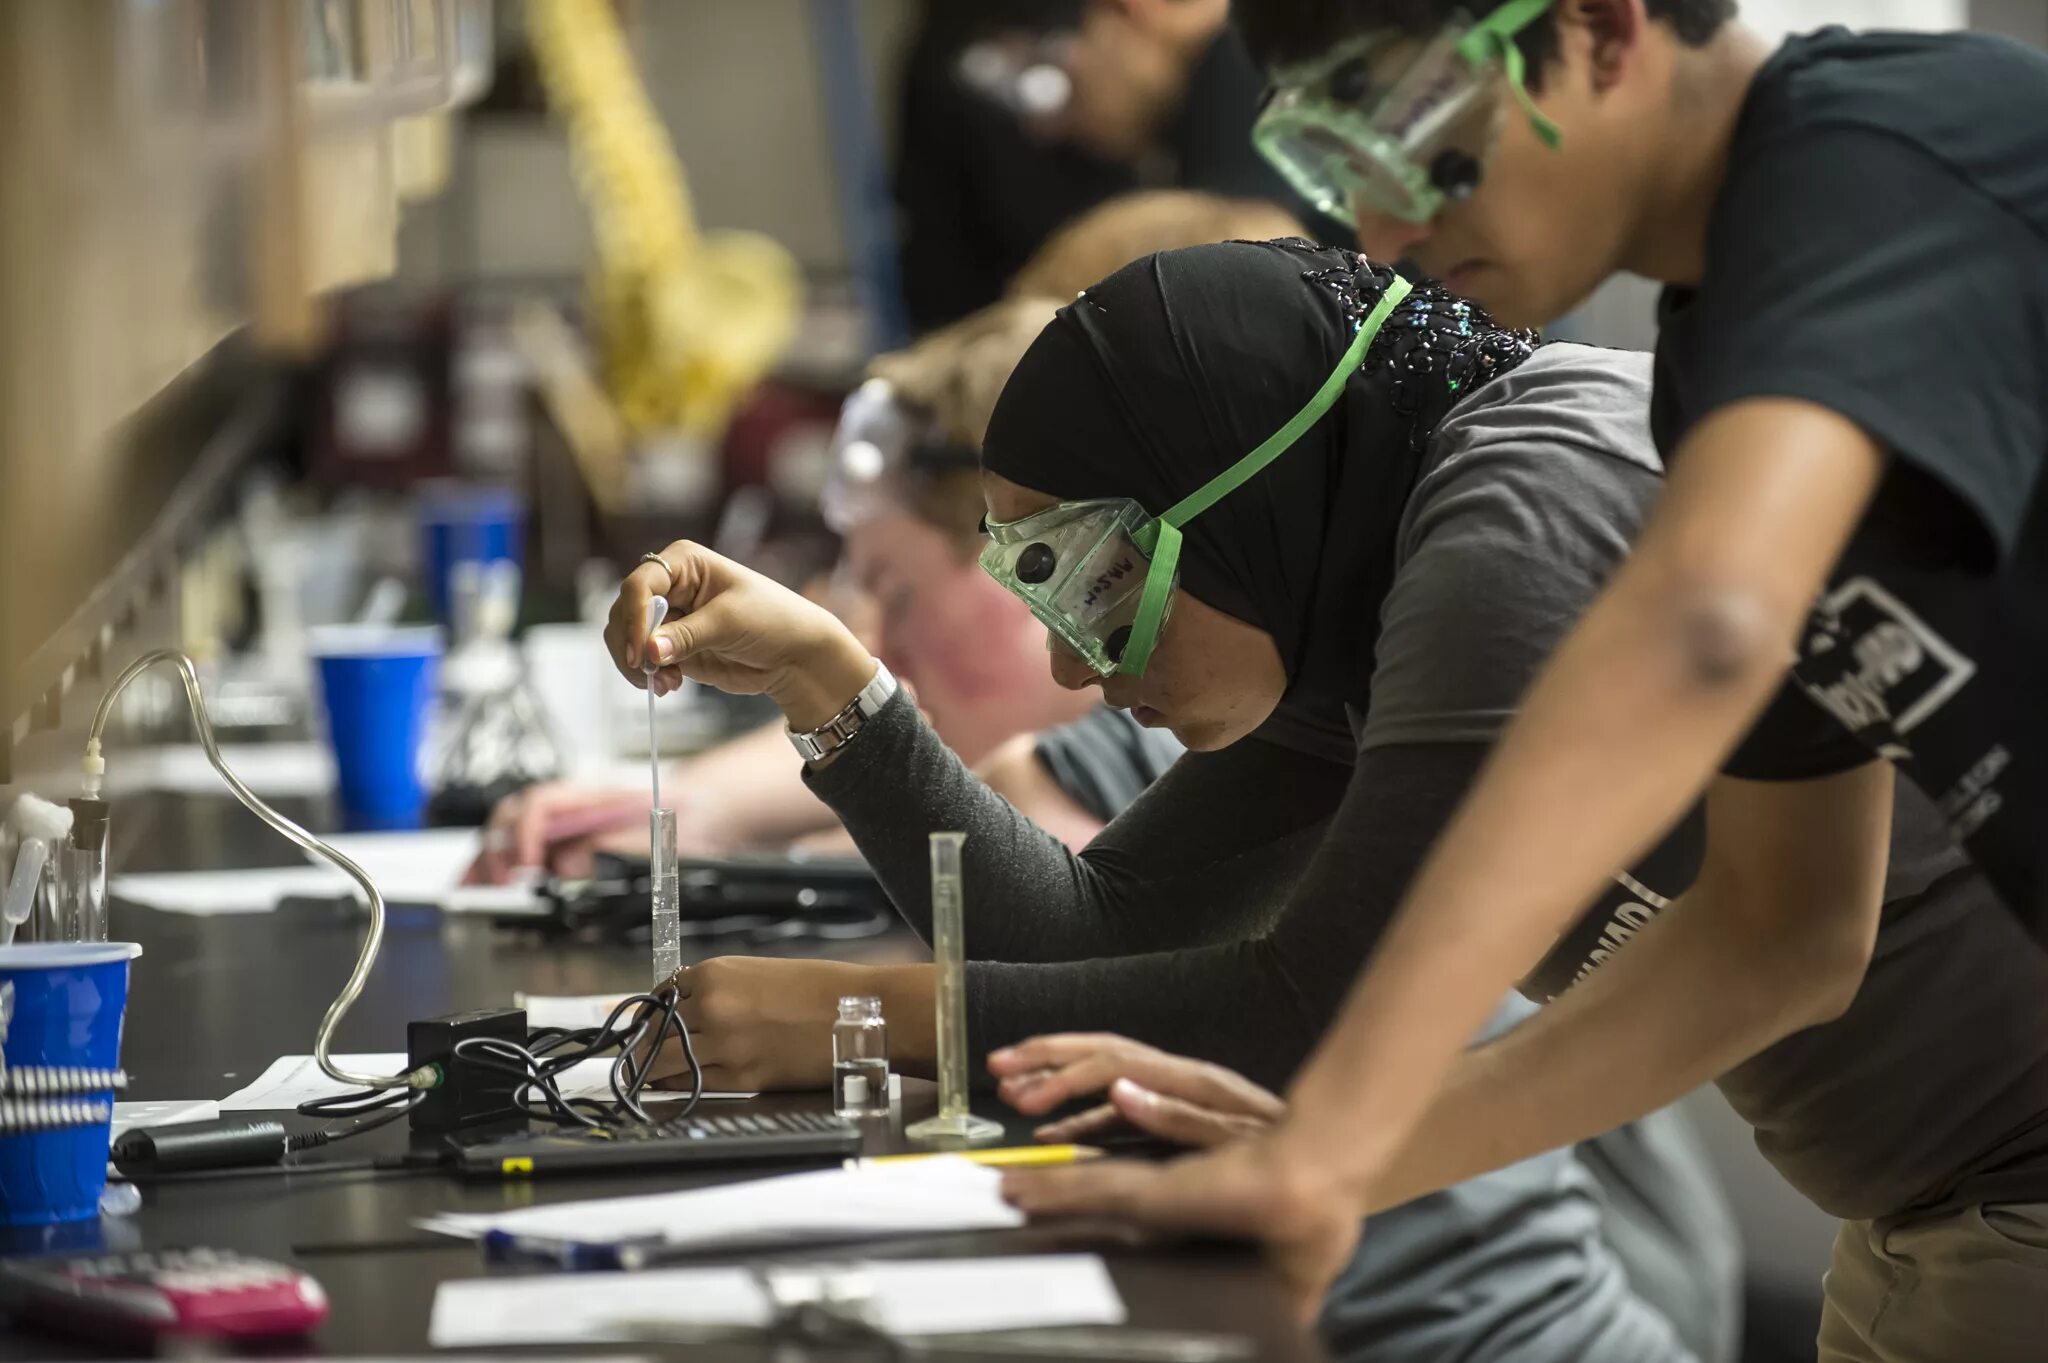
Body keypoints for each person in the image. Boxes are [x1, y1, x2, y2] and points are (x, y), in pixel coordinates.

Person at [997, 5, 2048, 1360]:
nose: (1381, 234)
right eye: (1338, 165)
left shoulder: (1893, 155)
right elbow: (1779, 930)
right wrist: (1331, 1149)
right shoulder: (1719, 372)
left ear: (1601, 29)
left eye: (1409, 129)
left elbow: (1704, 628)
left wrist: (1339, 1134)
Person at [605, 239, 1744, 1363]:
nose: (1074, 671)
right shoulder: (1344, 595)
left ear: (1236, 497)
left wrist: (868, 1016)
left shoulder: (1510, 529)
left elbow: (1313, 1016)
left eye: (1102, 584)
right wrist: (825, 678)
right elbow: (1084, 940)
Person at [472, 191, 1300, 882]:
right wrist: (690, 807)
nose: (882, 647)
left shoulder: (1239, 732)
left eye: (899, 592)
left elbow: (1020, 848)